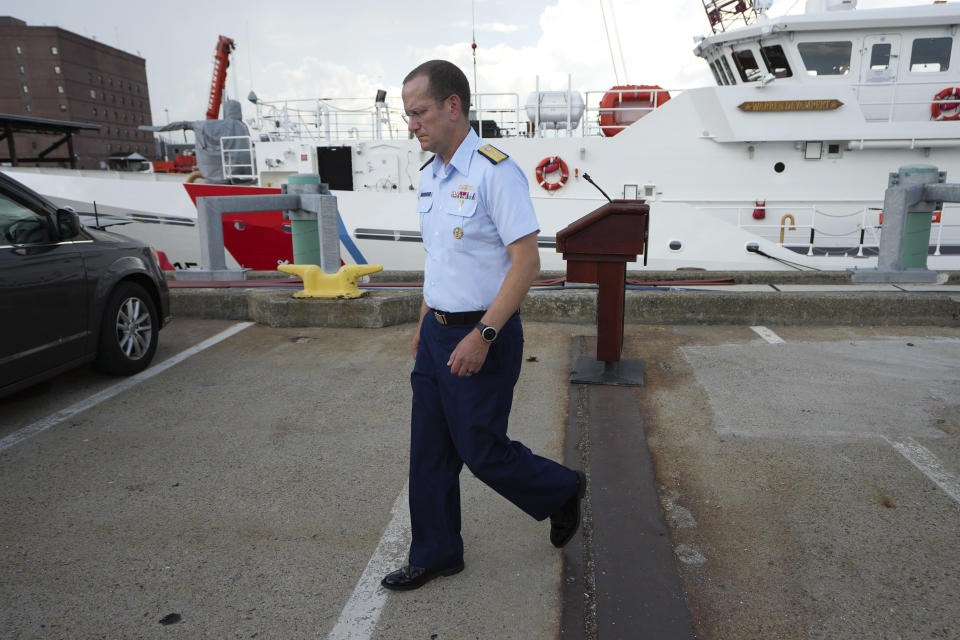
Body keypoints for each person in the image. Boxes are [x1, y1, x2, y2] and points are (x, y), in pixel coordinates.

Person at [381, 60, 585, 591]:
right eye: (408, 115)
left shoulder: (495, 171)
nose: (412, 125)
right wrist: (425, 322)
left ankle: (562, 490)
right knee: (428, 451)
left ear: (453, 106)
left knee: (482, 451)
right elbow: (440, 260)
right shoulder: (431, 177)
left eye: (419, 112)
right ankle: (437, 551)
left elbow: (526, 264)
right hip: (437, 334)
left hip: (483, 334)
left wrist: (484, 335)